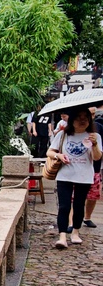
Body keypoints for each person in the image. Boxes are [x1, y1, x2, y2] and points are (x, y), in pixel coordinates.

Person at [49, 106, 102, 249]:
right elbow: (50, 152)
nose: (82, 120)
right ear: (72, 120)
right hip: (65, 175)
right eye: (79, 117)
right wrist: (58, 155)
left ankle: (76, 232)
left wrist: (95, 144)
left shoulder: (95, 136)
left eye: (85, 117)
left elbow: (97, 157)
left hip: (84, 176)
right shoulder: (63, 135)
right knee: (64, 206)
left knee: (79, 205)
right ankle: (62, 236)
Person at [84, 108, 103, 228]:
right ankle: (72, 221)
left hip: (94, 166)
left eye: (93, 114)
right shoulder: (70, 130)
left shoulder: (98, 127)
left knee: (93, 195)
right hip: (76, 167)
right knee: (73, 197)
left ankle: (87, 217)